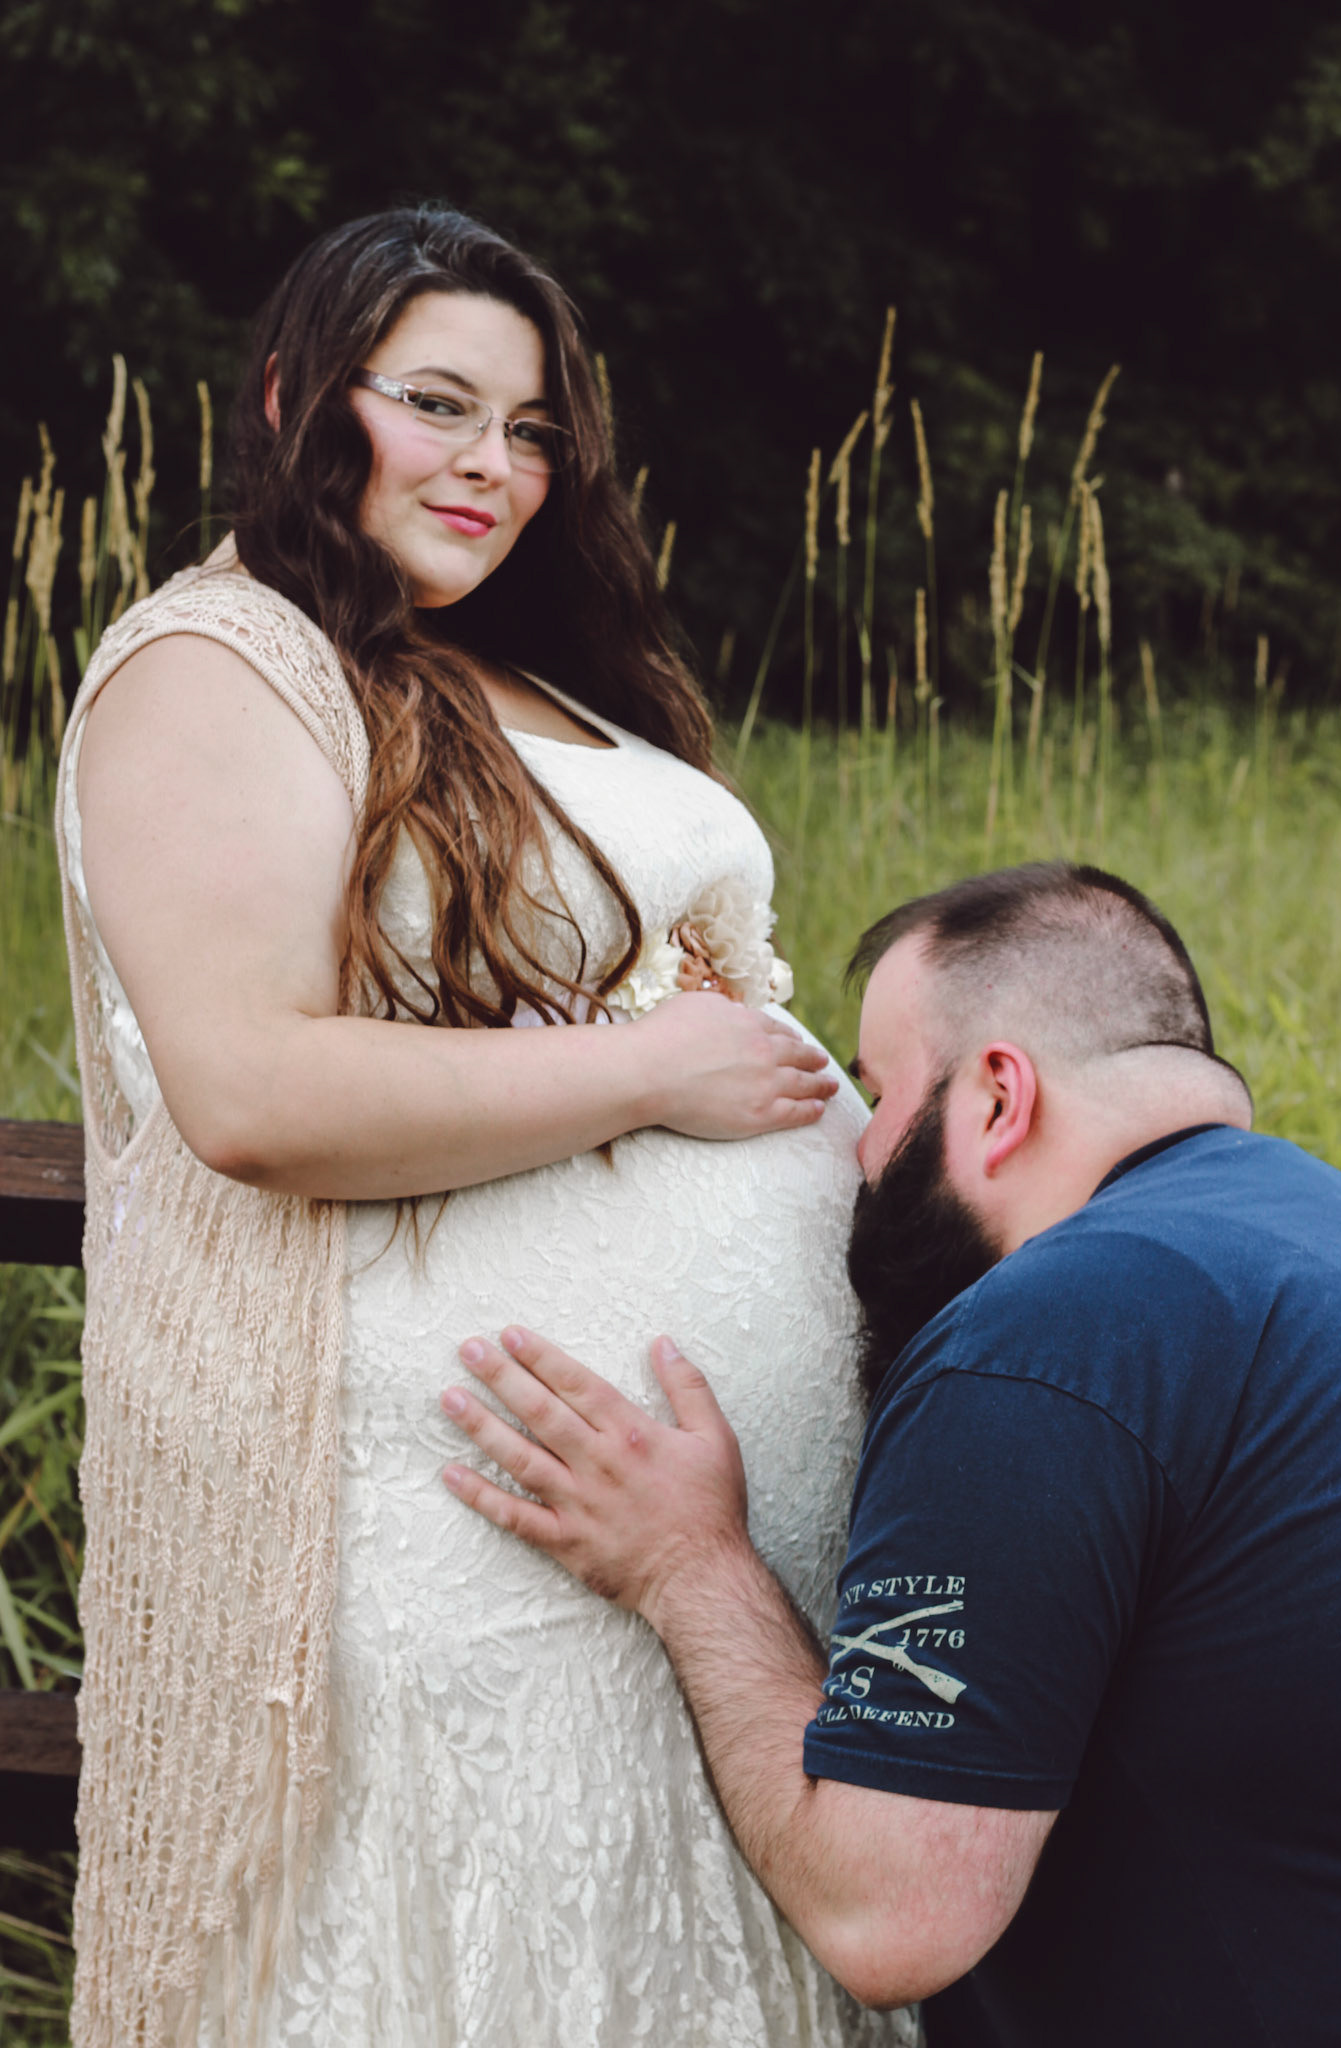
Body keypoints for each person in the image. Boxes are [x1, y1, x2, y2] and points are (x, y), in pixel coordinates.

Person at [57, 205, 909, 2046]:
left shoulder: (493, 662)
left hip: (692, 1565)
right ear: (294, 394)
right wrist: (658, 1075)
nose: (493, 466)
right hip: (459, 1541)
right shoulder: (215, 663)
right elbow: (250, 1091)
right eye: (437, 404)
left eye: (530, 430)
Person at [441, 862, 1341, 2048]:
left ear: (999, 1095)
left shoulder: (1044, 1337)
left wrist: (686, 1562)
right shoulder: (1324, 1227)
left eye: (875, 1092)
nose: (860, 1151)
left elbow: (891, 1912)